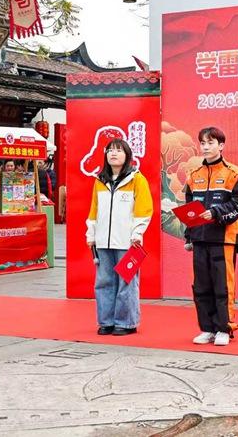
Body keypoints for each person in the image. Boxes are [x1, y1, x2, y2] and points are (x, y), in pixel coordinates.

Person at [184, 126, 238, 346]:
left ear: (221, 145)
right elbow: (189, 209)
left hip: (224, 239)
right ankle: (207, 328)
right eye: (202, 143)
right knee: (201, 286)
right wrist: (189, 236)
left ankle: (224, 328)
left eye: (210, 143)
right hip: (200, 238)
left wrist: (215, 212)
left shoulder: (235, 174)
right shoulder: (194, 175)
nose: (205, 147)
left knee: (223, 285)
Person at [86, 138, 153, 336]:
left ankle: (126, 323)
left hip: (128, 241)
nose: (113, 154)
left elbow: (144, 210)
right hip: (103, 241)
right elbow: (94, 210)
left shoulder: (137, 179)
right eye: (110, 150)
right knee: (104, 282)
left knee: (127, 282)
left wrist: (137, 233)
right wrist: (91, 233)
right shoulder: (100, 180)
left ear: (127, 155)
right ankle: (106, 321)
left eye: (118, 150)